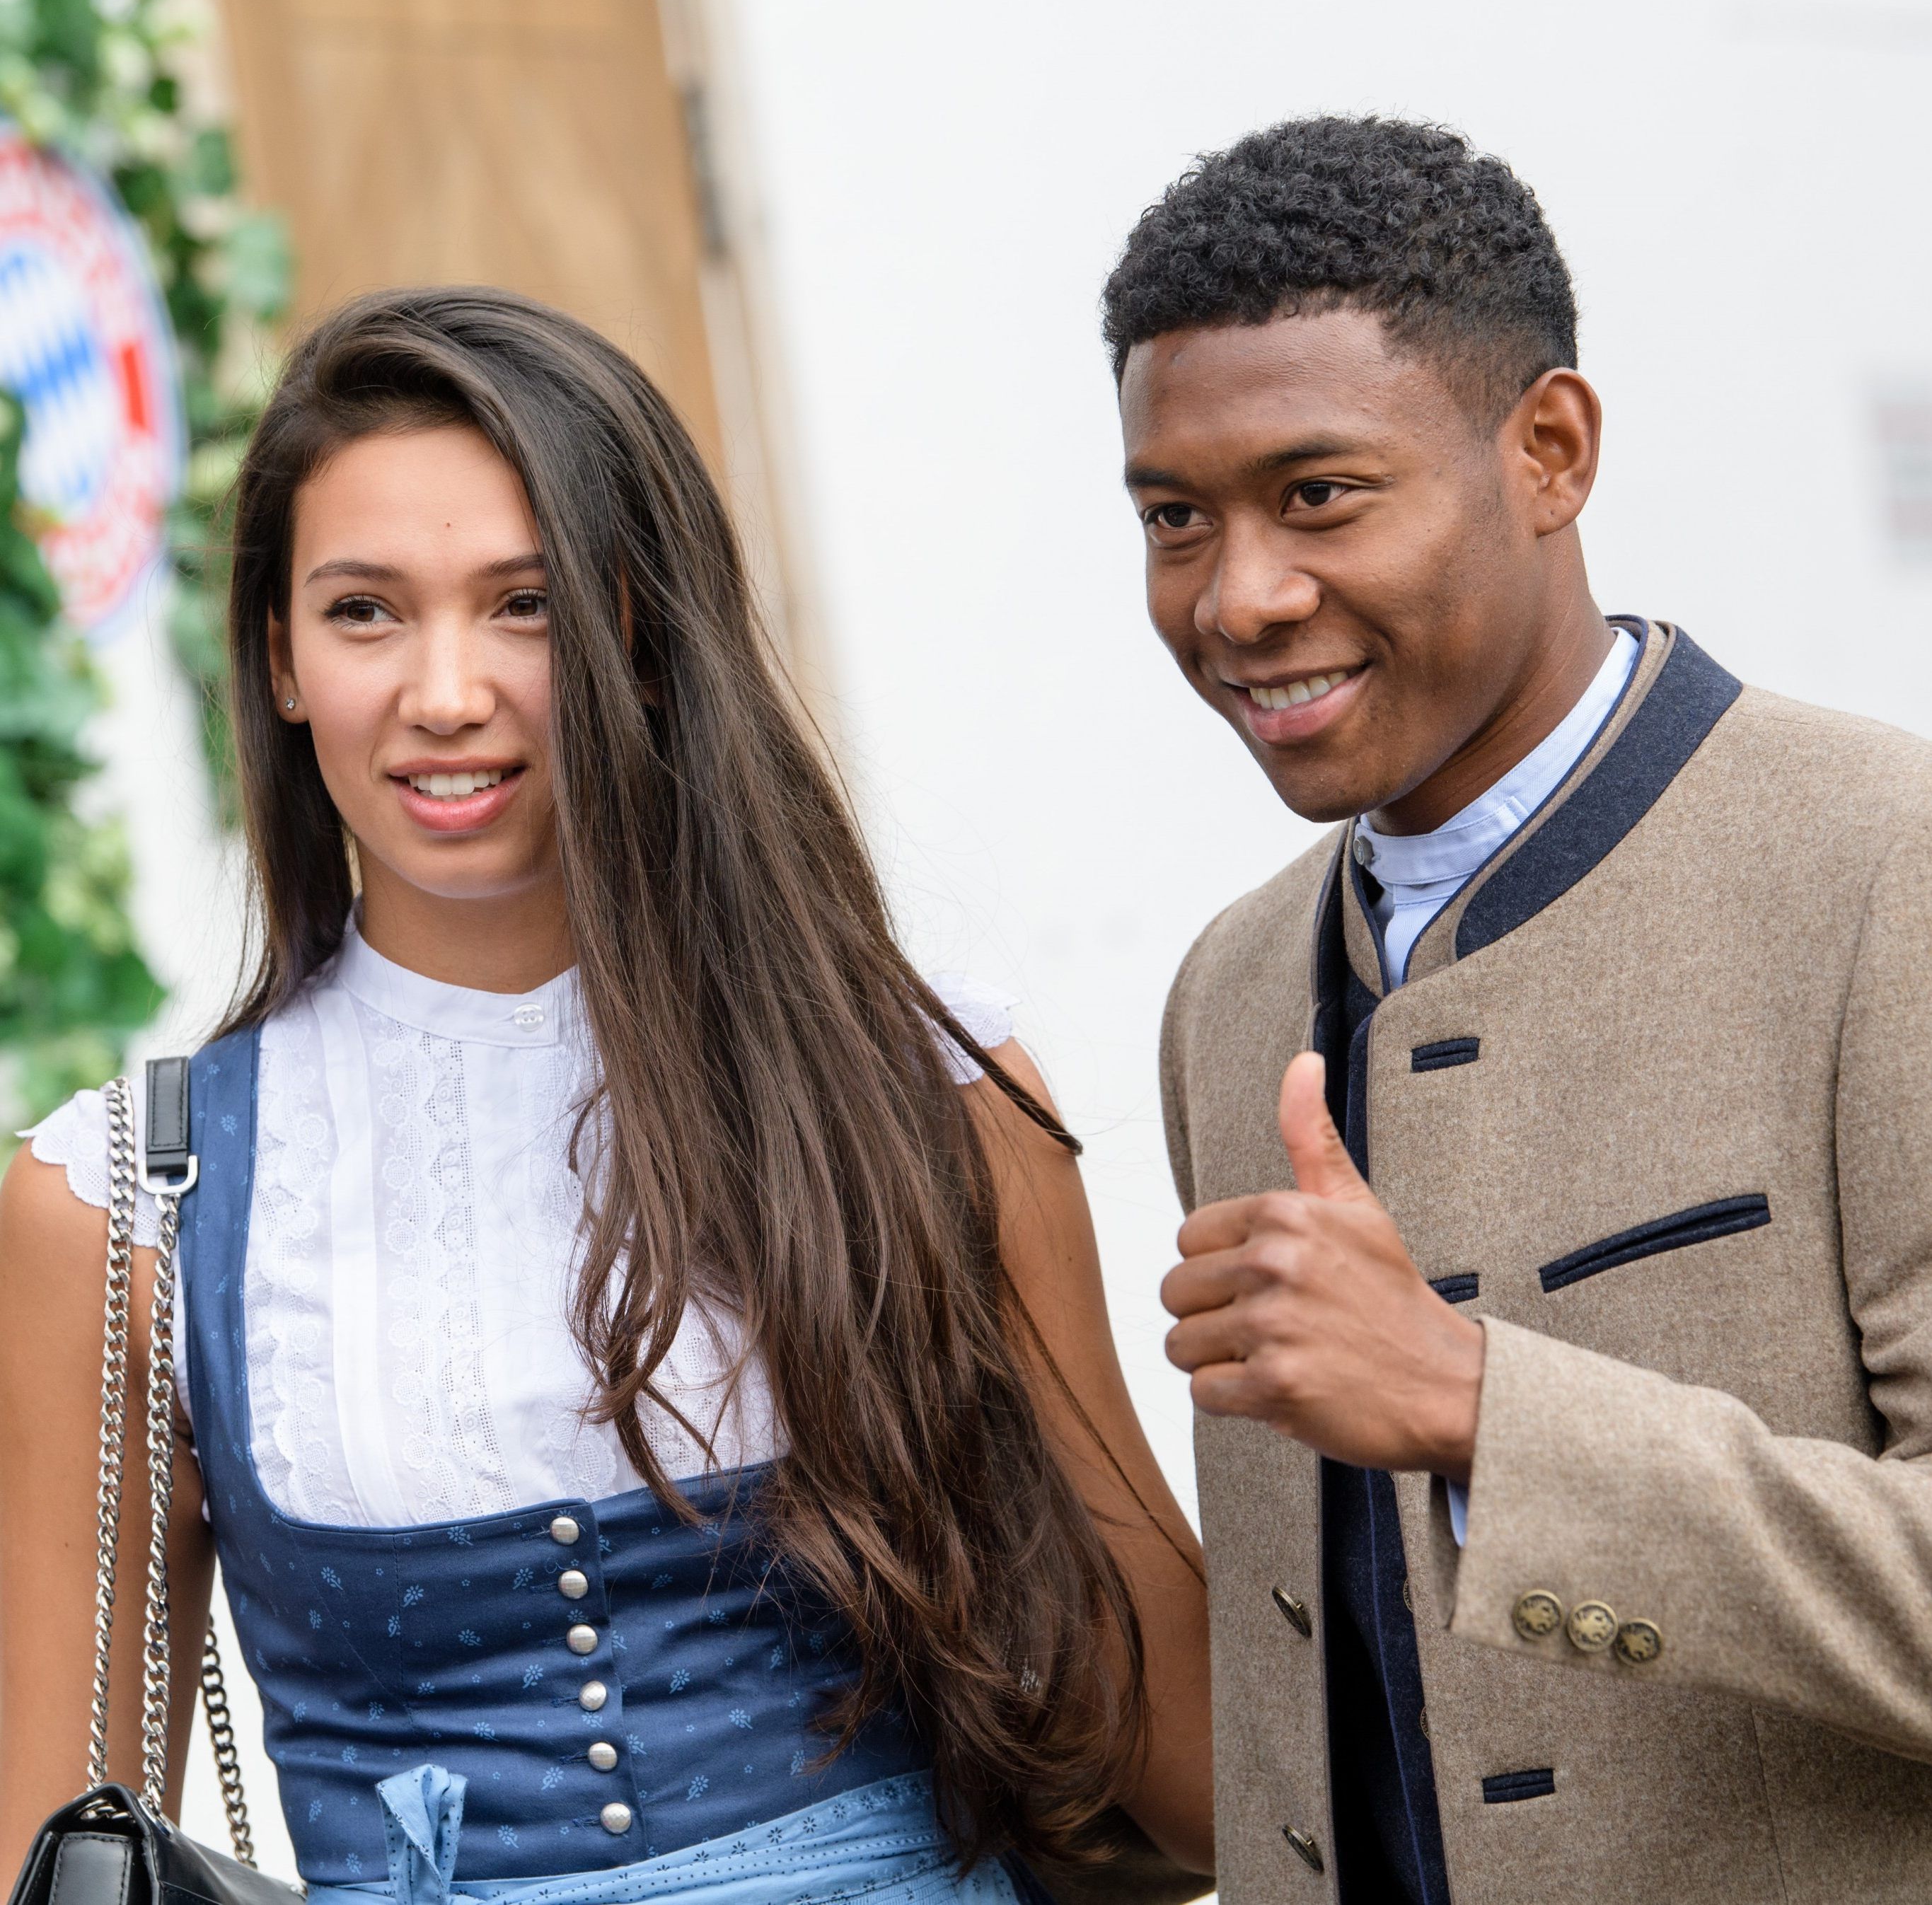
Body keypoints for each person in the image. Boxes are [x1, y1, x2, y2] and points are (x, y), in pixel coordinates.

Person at [0, 288, 1214, 1905]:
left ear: (644, 633)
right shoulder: (128, 1206)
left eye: (529, 604)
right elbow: (51, 1856)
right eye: (366, 611)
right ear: (279, 658)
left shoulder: (922, 1092)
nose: (446, 691)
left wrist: (1392, 1439)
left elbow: (1187, 1762)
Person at [1106, 115, 1932, 1904]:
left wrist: (1489, 1409)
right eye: (1177, 518)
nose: (1237, 597)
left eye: (1318, 493)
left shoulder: (1886, 869)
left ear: (1546, 450)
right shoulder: (1226, 991)